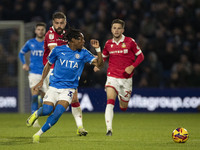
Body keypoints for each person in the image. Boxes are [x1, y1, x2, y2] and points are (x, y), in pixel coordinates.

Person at [26, 28, 103, 143]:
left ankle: (38, 134)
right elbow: (48, 65)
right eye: (81, 39)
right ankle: (36, 114)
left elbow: (99, 64)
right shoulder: (58, 50)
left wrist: (98, 50)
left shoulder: (84, 52)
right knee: (47, 110)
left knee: (57, 114)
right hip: (54, 86)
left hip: (69, 89)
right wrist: (42, 80)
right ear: (72, 40)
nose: (83, 42)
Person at [43, 12, 87, 135]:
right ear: (53, 23)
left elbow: (78, 47)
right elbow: (55, 51)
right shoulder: (50, 34)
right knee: (49, 107)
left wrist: (89, 57)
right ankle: (39, 114)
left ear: (65, 23)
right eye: (57, 23)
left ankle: (80, 127)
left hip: (65, 69)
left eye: (61, 23)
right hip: (52, 70)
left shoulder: (67, 35)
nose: (59, 25)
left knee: (74, 98)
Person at [102, 19, 144, 136]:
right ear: (111, 29)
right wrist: (98, 64)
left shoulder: (130, 41)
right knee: (110, 101)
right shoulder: (108, 43)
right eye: (114, 28)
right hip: (112, 76)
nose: (116, 30)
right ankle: (109, 129)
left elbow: (140, 56)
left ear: (123, 30)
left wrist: (132, 66)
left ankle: (122, 98)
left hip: (126, 79)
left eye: (119, 28)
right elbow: (103, 58)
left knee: (123, 106)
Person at [19, 22, 47, 127]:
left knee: (46, 99)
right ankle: (34, 120)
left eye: (42, 29)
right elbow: (21, 53)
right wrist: (24, 64)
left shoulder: (48, 43)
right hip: (34, 73)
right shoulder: (30, 43)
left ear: (45, 31)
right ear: (35, 31)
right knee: (34, 96)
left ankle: (41, 101)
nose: (40, 31)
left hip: (46, 74)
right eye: (38, 29)